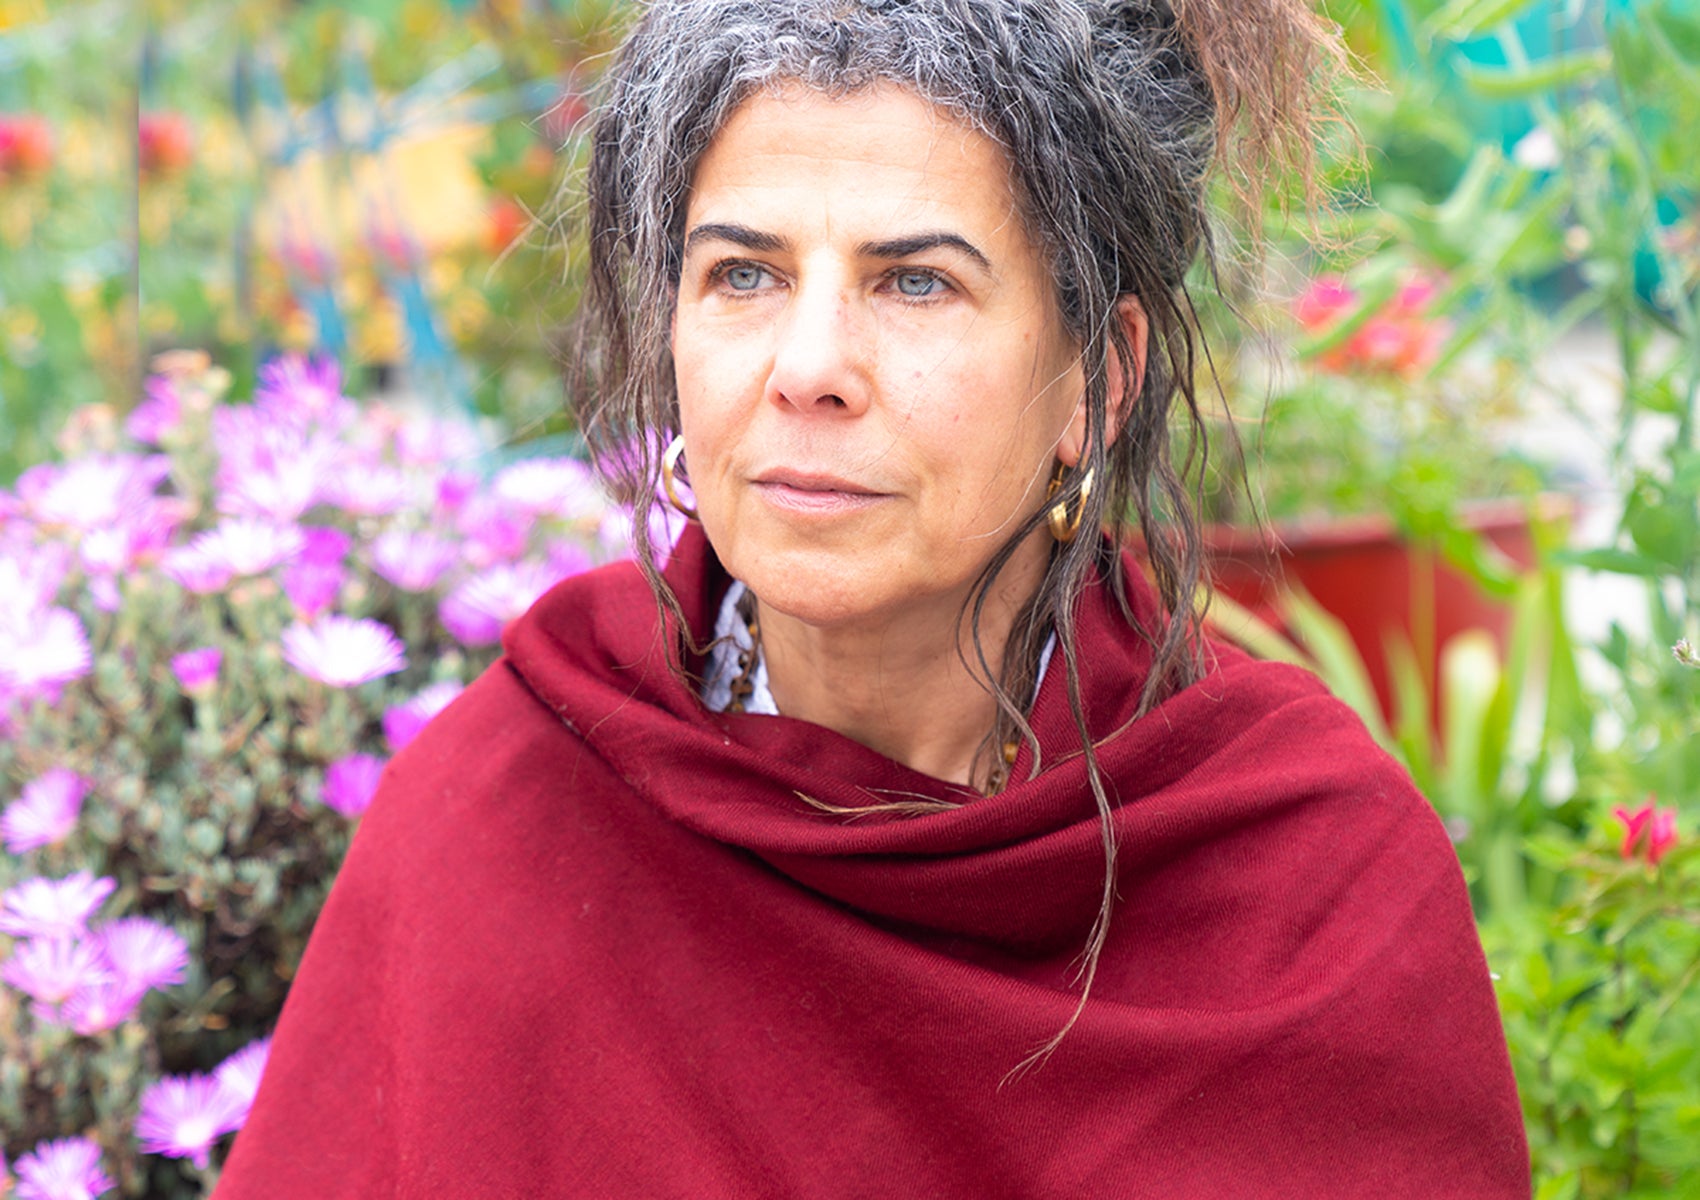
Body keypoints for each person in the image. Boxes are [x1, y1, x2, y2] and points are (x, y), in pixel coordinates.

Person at [216, 1, 1531, 1195]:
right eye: (743, 274)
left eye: (916, 282)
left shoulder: (1301, 880)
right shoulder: (503, 814)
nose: (809, 367)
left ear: (1099, 381)